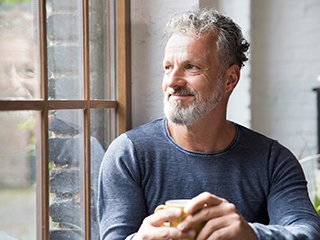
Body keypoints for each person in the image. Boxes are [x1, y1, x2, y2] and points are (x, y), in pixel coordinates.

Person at [97, 8, 320, 240]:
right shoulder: (128, 153)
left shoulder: (272, 161)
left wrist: (251, 234)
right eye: (167, 67)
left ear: (229, 79)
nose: (172, 81)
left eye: (191, 67)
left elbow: (308, 232)